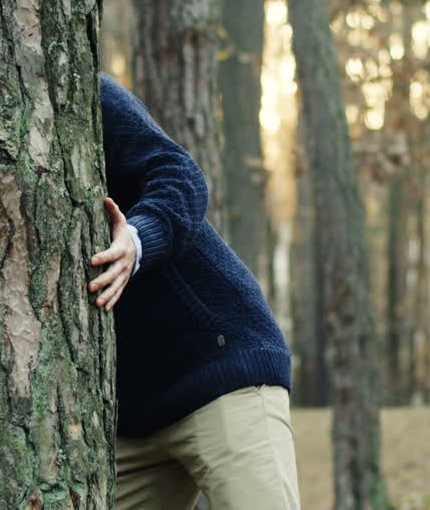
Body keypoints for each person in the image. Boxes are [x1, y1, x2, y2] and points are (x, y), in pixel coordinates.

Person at [87, 73, 300, 510]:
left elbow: (179, 175)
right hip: (133, 418)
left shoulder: (85, 89)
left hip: (221, 371)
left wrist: (138, 241)